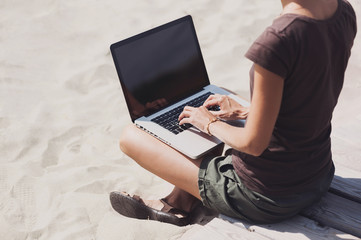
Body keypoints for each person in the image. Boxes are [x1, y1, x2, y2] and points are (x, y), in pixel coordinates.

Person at [110, 0, 357, 226]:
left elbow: (252, 144)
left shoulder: (278, 41)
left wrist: (209, 123)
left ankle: (183, 201)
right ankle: (179, 202)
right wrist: (248, 110)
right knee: (219, 99)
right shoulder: (342, 11)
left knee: (130, 136)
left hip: (266, 196)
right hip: (318, 173)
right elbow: (313, 93)